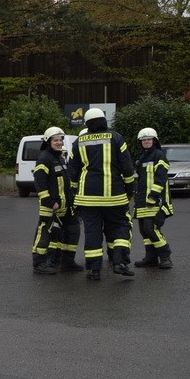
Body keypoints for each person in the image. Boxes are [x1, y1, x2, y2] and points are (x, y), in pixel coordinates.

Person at [68, 107, 136, 280]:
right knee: (120, 227)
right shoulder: (116, 138)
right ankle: (120, 263)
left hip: (87, 197)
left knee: (92, 232)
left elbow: (73, 170)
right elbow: (127, 167)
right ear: (104, 121)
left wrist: (74, 192)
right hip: (114, 196)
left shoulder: (79, 141)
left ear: (88, 123)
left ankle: (94, 270)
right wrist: (130, 189)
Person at [31, 126, 83, 274]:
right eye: (56, 140)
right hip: (51, 206)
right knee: (45, 233)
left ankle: (67, 262)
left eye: (60, 140)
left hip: (65, 206)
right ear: (48, 141)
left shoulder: (59, 158)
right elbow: (40, 183)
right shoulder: (44, 159)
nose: (59, 142)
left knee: (71, 230)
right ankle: (39, 263)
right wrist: (49, 201)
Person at [133, 127, 174, 269]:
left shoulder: (159, 156)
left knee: (152, 229)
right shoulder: (141, 158)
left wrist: (153, 196)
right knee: (144, 231)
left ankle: (165, 256)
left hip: (156, 201)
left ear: (154, 140)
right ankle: (151, 258)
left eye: (149, 139)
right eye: (143, 140)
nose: (146, 142)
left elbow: (161, 178)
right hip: (143, 202)